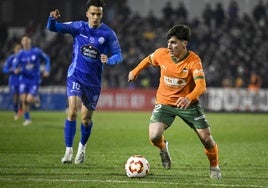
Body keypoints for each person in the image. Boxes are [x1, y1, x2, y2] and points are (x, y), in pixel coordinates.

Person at [128, 25, 221, 179]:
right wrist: (135, 71)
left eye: (173, 43)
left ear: (184, 43)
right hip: (164, 102)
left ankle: (214, 166)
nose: (169, 46)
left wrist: (189, 98)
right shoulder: (161, 54)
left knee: (207, 139)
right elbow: (148, 60)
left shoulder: (193, 60)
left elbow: (201, 86)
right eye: (168, 42)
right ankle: (163, 148)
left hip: (188, 105)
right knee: (154, 136)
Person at [46, 0, 123, 165]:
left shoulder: (108, 33)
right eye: (93, 14)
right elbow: (53, 28)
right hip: (75, 75)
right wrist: (52, 19)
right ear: (87, 14)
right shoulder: (77, 27)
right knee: (72, 111)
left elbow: (119, 55)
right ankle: (68, 151)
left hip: (93, 82)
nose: (95, 17)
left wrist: (109, 60)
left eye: (99, 14)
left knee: (85, 119)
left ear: (102, 15)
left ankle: (82, 148)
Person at [14, 35, 50, 126]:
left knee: (28, 101)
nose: (25, 42)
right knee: (23, 101)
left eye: (26, 40)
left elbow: (47, 59)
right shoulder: (20, 54)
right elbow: (15, 65)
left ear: (29, 41)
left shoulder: (36, 51)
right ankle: (27, 119)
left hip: (34, 79)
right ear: (22, 43)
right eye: (23, 40)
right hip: (23, 79)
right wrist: (15, 69)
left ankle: (35, 97)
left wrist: (47, 69)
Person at [2, 43, 22, 120]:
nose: (18, 51)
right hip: (13, 80)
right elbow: (4, 69)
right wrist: (12, 70)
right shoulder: (11, 58)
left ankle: (21, 111)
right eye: (17, 49)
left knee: (23, 98)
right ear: (14, 50)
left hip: (22, 79)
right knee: (15, 97)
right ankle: (16, 113)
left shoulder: (23, 58)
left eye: (20, 49)